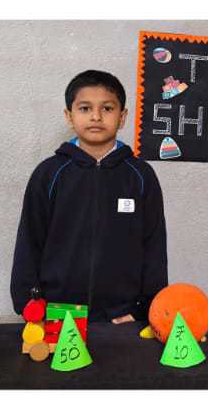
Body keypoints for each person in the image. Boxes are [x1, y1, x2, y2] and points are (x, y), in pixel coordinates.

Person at [10, 70, 167, 328]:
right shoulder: (49, 174)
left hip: (122, 316)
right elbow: (29, 240)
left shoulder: (141, 176)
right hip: (57, 314)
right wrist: (30, 305)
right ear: (69, 116)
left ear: (122, 117)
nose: (96, 116)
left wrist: (145, 309)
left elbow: (154, 246)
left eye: (107, 108)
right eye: (85, 108)